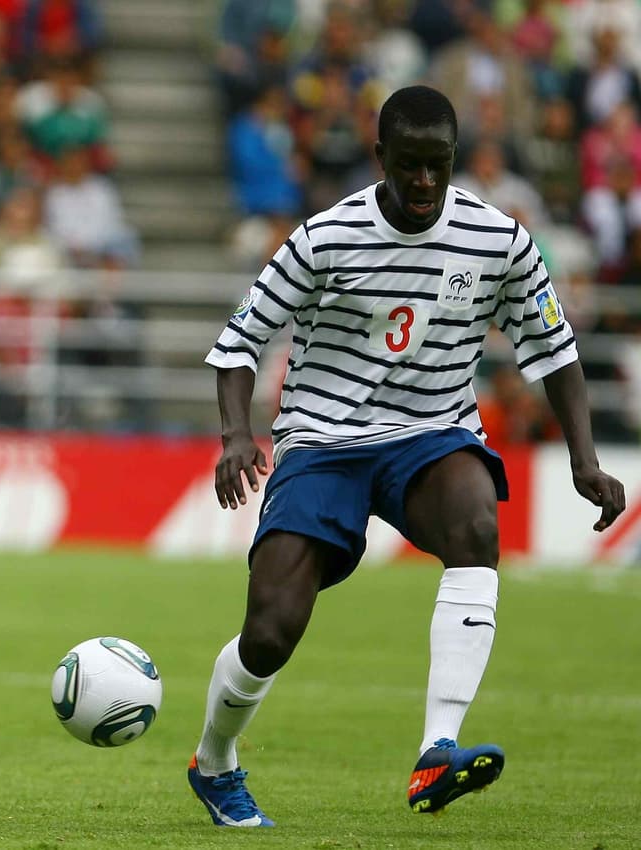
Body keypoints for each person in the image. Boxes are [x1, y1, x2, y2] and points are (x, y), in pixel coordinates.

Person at [193, 85, 627, 828]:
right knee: (269, 631)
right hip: (323, 440)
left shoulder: (500, 242)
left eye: (439, 164)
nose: (425, 181)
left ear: (455, 158)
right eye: (409, 164)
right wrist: (237, 434)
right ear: (380, 158)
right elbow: (240, 341)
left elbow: (556, 351)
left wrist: (583, 459)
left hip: (432, 432)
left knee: (477, 525)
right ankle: (214, 760)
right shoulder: (324, 238)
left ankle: (437, 750)